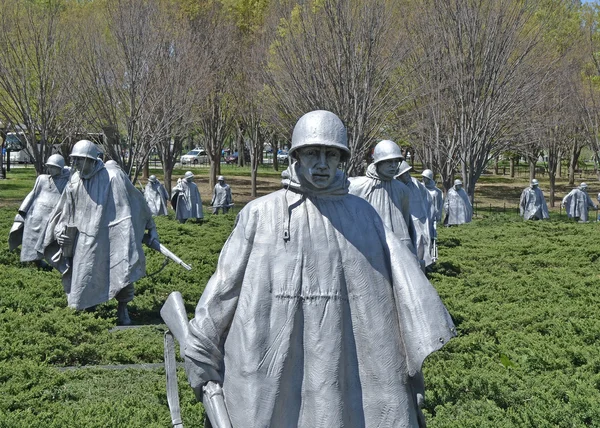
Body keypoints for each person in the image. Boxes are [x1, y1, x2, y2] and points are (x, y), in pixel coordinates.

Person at [184, 110, 455, 428]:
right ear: (296, 155)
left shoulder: (363, 217)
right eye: (313, 152)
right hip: (274, 368)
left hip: (349, 372)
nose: (322, 163)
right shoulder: (261, 214)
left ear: (342, 159)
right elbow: (225, 287)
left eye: (331, 154)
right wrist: (202, 342)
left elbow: (400, 296)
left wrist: (411, 371)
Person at [37, 140, 159, 325]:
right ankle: (86, 310)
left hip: (113, 236)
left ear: (92, 160)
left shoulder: (113, 177)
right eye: (74, 160)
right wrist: (60, 229)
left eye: (80, 160)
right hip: (84, 239)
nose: (75, 164)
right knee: (83, 277)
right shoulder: (75, 179)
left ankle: (122, 309)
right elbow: (65, 211)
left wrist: (152, 229)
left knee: (121, 273)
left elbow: (137, 203)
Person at [348, 140, 413, 249]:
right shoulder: (357, 186)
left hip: (398, 247)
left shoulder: (402, 190)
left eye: (396, 161)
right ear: (378, 162)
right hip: (367, 245)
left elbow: (406, 221)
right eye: (388, 161)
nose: (393, 166)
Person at [8, 154, 70, 264]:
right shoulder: (42, 179)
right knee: (30, 237)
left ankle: (39, 259)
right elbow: (32, 194)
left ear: (60, 168)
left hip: (51, 216)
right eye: (49, 167)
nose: (50, 169)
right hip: (35, 214)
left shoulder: (66, 182)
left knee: (45, 239)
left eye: (54, 167)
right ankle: (27, 260)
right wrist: (23, 211)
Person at [396, 161, 434, 268]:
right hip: (403, 220)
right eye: (405, 173)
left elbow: (426, 197)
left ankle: (422, 266)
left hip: (419, 218)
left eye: (408, 172)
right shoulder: (395, 186)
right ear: (398, 176)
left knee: (421, 242)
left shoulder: (416, 183)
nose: (408, 175)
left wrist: (427, 214)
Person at [421, 169, 443, 262]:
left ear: (429, 178)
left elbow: (439, 205)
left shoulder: (436, 191)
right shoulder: (420, 188)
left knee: (431, 235)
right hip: (422, 216)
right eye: (422, 177)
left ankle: (431, 254)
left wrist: (438, 215)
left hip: (431, 217)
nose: (423, 179)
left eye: (425, 177)